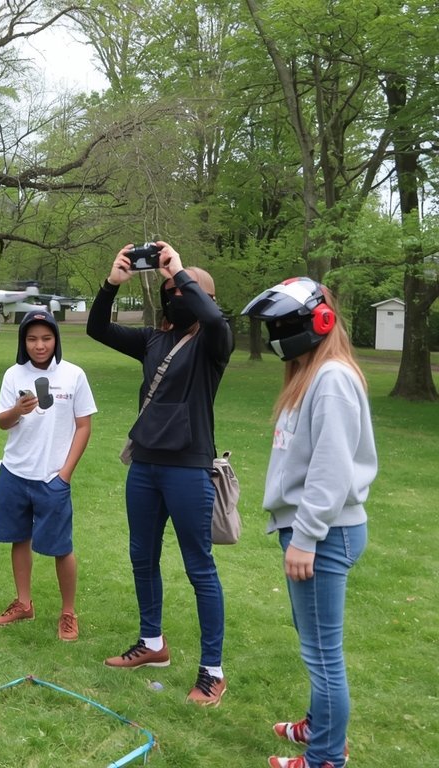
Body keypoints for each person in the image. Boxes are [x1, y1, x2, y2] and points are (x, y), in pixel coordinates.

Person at [86, 241, 233, 706]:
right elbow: (95, 328)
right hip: (146, 467)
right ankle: (153, 644)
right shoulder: (153, 340)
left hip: (189, 470)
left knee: (200, 568)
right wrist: (113, 283)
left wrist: (180, 269)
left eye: (183, 289)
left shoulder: (213, 343)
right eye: (168, 288)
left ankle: (212, 670)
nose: (175, 294)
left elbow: (212, 319)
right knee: (142, 557)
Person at [242, 278, 376, 768]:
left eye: (282, 324)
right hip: (315, 531)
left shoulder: (333, 379)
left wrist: (306, 536)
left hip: (323, 533)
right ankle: (320, 729)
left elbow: (331, 468)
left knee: (323, 656)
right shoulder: (314, 374)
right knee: (314, 643)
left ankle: (324, 758)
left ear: (319, 322)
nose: (276, 334)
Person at [0, 310, 96, 642]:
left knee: (61, 547)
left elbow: (84, 426)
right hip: (15, 471)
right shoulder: (13, 375)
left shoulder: (74, 375)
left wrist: (64, 475)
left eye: (46, 338)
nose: (39, 345)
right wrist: (17, 411)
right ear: (23, 341)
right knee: (19, 537)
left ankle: (68, 613)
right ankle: (24, 604)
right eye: (32, 339)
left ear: (56, 340)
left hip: (52, 477)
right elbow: (2, 422)